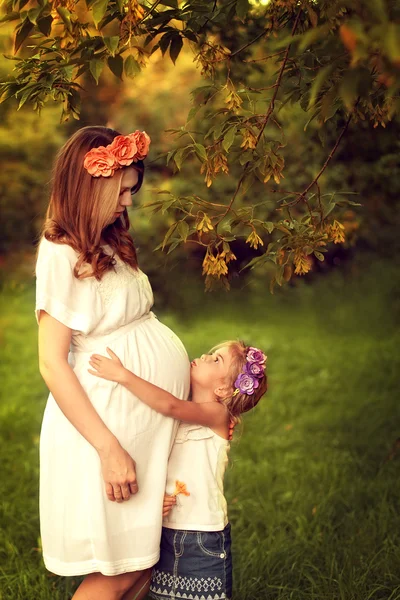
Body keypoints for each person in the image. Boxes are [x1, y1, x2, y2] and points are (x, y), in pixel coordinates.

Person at [35, 126, 191, 600]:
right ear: (90, 186)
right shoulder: (60, 253)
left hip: (142, 421)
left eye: (130, 190)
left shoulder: (109, 243)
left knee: (145, 558)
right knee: (119, 569)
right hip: (108, 425)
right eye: (121, 190)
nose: (127, 201)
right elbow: (50, 362)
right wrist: (108, 449)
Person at [88, 340, 268, 600]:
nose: (205, 356)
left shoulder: (216, 414)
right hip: (166, 527)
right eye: (211, 353)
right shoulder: (189, 410)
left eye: (216, 360)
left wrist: (123, 375)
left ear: (223, 388)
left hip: (201, 537)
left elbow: (169, 405)